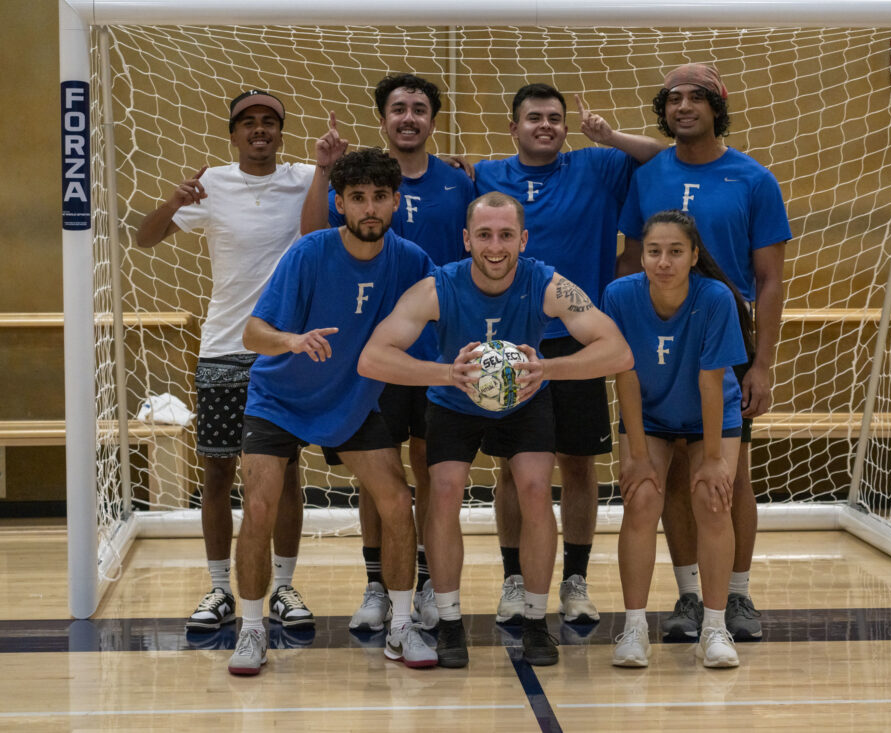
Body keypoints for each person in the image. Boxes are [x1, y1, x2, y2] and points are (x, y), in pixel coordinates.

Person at [358, 192, 633, 667]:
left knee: (533, 488)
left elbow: (617, 350)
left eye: (506, 234)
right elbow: (372, 357)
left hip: (524, 400)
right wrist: (447, 373)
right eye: (484, 234)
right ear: (467, 240)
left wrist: (545, 369)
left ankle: (534, 620)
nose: (495, 245)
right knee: (443, 490)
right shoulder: (436, 287)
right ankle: (447, 624)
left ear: (522, 239)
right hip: (454, 399)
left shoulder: (547, 283)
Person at [227, 147, 436, 675]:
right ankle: (252, 630)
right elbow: (253, 333)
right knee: (258, 507)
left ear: (396, 203)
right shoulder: (309, 252)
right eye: (358, 198)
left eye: (380, 198)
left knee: (396, 501)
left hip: (350, 401)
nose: (370, 208)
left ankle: (402, 625)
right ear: (339, 203)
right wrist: (293, 340)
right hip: (279, 400)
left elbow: (451, 307)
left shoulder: (410, 261)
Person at [473, 84, 664, 625]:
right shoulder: (486, 175)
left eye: (555, 118)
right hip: (509, 345)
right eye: (533, 118)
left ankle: (575, 581)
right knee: (512, 469)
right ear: (513, 128)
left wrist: (609, 134)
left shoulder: (599, 165)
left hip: (580, 344)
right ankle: (514, 579)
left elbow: (662, 156)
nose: (546, 126)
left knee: (579, 466)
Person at [617, 64, 791, 641]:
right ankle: (690, 595)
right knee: (666, 483)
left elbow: (769, 280)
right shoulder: (647, 175)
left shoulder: (754, 179)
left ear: (718, 106)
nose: (683, 106)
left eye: (696, 97)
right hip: (658, 336)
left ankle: (737, 596)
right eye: (672, 98)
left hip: (726, 339)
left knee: (727, 476)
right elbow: (628, 260)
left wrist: (763, 362)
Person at [135, 89, 317, 636]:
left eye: (269, 122)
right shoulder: (210, 183)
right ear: (232, 132)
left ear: (281, 131)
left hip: (283, 351)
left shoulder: (307, 178)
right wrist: (173, 200)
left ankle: (283, 586)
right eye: (248, 123)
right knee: (216, 472)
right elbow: (144, 240)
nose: (259, 130)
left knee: (286, 475)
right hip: (222, 348)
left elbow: (334, 217)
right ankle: (218, 588)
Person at [300, 74, 475, 634]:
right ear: (382, 118)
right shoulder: (364, 181)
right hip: (371, 357)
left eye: (419, 109)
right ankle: (377, 585)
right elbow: (311, 237)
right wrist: (324, 169)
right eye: (398, 108)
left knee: (429, 471)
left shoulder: (458, 182)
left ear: (432, 120)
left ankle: (422, 580)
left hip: (439, 358)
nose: (408, 117)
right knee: (378, 477)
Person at [605, 210, 753, 668]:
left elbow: (712, 382)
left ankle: (714, 628)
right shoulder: (618, 295)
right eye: (654, 251)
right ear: (642, 256)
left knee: (712, 497)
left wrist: (710, 459)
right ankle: (633, 631)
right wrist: (636, 455)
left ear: (693, 256)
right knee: (642, 497)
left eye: (674, 252)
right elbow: (624, 376)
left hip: (709, 413)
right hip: (649, 413)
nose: (663, 261)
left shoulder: (716, 298)